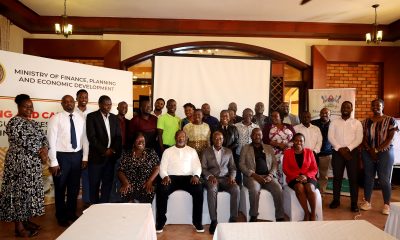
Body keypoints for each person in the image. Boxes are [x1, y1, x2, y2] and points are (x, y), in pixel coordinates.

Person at [0, 94, 48, 237]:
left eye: (31, 106)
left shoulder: (32, 123)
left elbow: (43, 138)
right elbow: (25, 141)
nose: (29, 109)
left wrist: (45, 148)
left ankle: (26, 220)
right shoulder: (14, 123)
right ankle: (19, 228)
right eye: (26, 106)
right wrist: (40, 151)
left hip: (32, 166)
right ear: (19, 107)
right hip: (18, 165)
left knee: (28, 194)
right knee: (18, 194)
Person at [47, 95, 89, 227]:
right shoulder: (56, 118)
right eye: (66, 102)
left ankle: (71, 213)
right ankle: (61, 215)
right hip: (61, 157)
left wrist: (85, 157)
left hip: (77, 156)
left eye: (71, 101)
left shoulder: (80, 118)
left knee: (74, 188)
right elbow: (51, 141)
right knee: (60, 188)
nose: (69, 104)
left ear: (74, 103)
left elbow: (85, 140)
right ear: (62, 104)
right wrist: (53, 162)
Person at [156, 130, 204, 233]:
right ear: (175, 137)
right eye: (179, 136)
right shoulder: (167, 151)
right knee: (161, 189)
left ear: (186, 139)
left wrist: (196, 175)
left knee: (199, 189)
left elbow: (197, 166)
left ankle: (197, 222)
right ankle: (160, 222)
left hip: (188, 178)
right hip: (171, 178)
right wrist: (165, 176)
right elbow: (162, 167)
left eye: (183, 137)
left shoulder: (192, 151)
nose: (181, 138)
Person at [360, 99, 398, 215]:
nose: (376, 107)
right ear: (371, 107)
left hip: (385, 152)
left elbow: (390, 138)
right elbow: (363, 138)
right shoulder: (365, 122)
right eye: (373, 105)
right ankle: (367, 202)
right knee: (368, 177)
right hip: (368, 152)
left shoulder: (390, 120)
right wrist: (369, 150)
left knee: (383, 178)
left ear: (383, 106)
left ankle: (386, 205)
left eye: (378, 105)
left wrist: (376, 150)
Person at [239, 128, 284, 222]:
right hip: (252, 177)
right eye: (254, 134)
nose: (257, 137)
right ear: (251, 136)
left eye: (259, 134)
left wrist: (271, 175)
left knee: (278, 188)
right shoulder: (245, 148)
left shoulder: (268, 148)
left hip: (268, 176)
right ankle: (253, 215)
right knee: (255, 189)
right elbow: (241, 165)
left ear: (262, 136)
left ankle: (279, 216)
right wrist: (254, 175)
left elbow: (274, 164)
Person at [201, 131, 239, 234]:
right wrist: (210, 176)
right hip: (212, 179)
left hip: (226, 179)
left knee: (236, 188)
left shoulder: (228, 151)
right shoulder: (206, 152)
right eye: (216, 139)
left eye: (221, 139)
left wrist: (232, 177)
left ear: (223, 140)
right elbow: (203, 168)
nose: (218, 141)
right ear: (212, 140)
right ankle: (214, 220)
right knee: (212, 188)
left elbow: (233, 167)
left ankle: (233, 218)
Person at [86, 95, 122, 203]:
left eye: (110, 104)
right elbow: (92, 137)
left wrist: (113, 150)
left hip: (110, 157)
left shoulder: (114, 118)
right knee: (94, 184)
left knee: (107, 183)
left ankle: (103, 206)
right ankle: (94, 207)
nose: (108, 106)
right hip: (97, 158)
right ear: (100, 104)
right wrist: (104, 150)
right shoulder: (92, 117)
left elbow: (118, 136)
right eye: (106, 104)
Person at [328, 101, 363, 212]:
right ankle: (336, 200)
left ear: (351, 109)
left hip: (352, 153)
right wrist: (340, 148)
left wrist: (348, 148)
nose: (345, 108)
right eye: (344, 107)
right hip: (338, 152)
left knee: (353, 178)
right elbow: (330, 137)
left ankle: (354, 203)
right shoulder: (334, 122)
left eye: (348, 107)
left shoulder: (357, 123)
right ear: (341, 108)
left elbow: (359, 138)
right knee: (337, 177)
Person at [283, 133, 318, 221]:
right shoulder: (287, 153)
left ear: (304, 142)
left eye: (301, 141)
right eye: (296, 140)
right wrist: (297, 177)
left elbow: (314, 168)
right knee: (299, 187)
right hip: (293, 177)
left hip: (308, 176)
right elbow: (285, 169)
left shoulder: (309, 152)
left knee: (309, 187)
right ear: (293, 142)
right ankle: (307, 213)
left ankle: (313, 214)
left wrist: (306, 176)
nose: (299, 142)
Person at [118, 132, 160, 203]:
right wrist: (125, 183)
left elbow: (157, 168)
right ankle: (129, 212)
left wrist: (150, 181)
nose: (141, 142)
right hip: (130, 184)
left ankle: (144, 213)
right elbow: (120, 171)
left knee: (148, 192)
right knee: (125, 192)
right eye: (138, 140)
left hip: (146, 183)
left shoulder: (151, 152)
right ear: (134, 142)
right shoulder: (127, 154)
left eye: (143, 140)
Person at [262, 111, 295, 185]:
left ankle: (288, 186)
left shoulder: (289, 126)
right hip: (273, 153)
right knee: (276, 171)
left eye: (275, 116)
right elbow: (265, 139)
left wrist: (288, 144)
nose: (273, 118)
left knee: (288, 170)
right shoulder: (268, 127)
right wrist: (278, 144)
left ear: (281, 117)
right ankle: (278, 187)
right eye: (272, 116)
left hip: (288, 152)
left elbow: (295, 138)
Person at [110, 101, 129, 203]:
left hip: (126, 151)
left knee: (124, 175)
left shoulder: (129, 122)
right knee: (114, 175)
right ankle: (113, 199)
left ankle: (123, 197)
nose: (124, 109)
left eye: (126, 107)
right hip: (115, 151)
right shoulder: (112, 119)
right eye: (122, 107)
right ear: (117, 108)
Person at [75, 89, 92, 206]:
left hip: (88, 149)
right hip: (74, 150)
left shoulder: (91, 113)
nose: (84, 99)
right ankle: (72, 202)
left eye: (85, 97)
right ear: (77, 98)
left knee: (87, 175)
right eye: (81, 97)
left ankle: (87, 200)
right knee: (75, 176)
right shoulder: (72, 112)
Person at [234, 108, 259, 185]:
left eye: (250, 115)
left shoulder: (256, 127)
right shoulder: (236, 126)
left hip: (252, 154)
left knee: (250, 172)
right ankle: (239, 187)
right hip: (239, 153)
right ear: (242, 115)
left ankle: (250, 185)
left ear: (252, 116)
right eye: (246, 114)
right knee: (238, 173)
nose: (248, 116)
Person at [311, 108, 333, 193]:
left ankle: (321, 193)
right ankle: (313, 191)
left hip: (326, 154)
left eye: (326, 113)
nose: (324, 114)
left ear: (329, 114)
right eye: (322, 113)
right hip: (314, 154)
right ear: (319, 114)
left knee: (324, 175)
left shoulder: (333, 125)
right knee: (312, 174)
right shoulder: (313, 123)